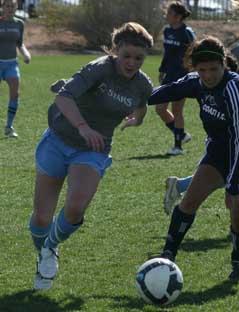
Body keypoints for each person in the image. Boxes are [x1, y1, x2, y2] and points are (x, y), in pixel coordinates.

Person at [29, 22, 153, 290]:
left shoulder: (143, 84)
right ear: (115, 51)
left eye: (139, 58)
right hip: (58, 139)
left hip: (92, 150)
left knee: (75, 209)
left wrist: (137, 120)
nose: (131, 63)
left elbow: (142, 107)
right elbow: (63, 98)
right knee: (41, 217)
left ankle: (50, 248)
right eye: (127, 56)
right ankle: (44, 254)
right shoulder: (100, 68)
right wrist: (83, 127)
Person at [148, 36, 239, 281]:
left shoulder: (235, 88)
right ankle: (167, 257)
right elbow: (166, 91)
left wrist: (234, 183)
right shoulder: (196, 81)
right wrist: (134, 100)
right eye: (201, 70)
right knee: (188, 201)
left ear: (223, 64)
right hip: (219, 151)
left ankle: (238, 261)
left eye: (213, 69)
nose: (207, 75)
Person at [163, 0, 239, 213]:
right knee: (236, 164)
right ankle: (237, 224)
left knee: (233, 164)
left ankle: (182, 187)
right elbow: (220, 78)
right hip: (228, 114)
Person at [155, 1, 196, 156]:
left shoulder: (187, 33)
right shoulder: (167, 31)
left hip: (182, 76)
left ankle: (178, 147)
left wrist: (192, 71)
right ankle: (182, 135)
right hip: (169, 75)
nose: (166, 15)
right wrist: (162, 70)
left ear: (178, 17)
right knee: (160, 109)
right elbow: (167, 54)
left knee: (177, 110)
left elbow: (194, 52)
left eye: (169, 13)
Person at [0, 0, 31, 137]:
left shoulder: (19, 24)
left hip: (12, 64)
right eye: (7, 6)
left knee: (15, 94)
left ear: (16, 7)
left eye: (12, 6)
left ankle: (9, 127)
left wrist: (26, 54)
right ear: (2, 7)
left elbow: (20, 43)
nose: (10, 8)